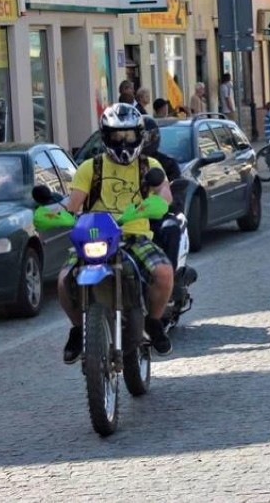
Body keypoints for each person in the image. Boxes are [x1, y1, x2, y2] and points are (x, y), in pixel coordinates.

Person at [58, 104, 175, 363]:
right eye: (117, 136)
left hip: (135, 237)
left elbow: (165, 194)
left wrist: (159, 202)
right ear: (105, 137)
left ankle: (153, 322)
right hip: (95, 237)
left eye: (129, 136)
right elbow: (73, 204)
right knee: (63, 280)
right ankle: (78, 328)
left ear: (140, 136)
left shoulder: (150, 166)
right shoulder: (90, 168)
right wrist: (56, 213)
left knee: (164, 273)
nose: (124, 142)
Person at [142, 117, 183, 275]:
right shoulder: (122, 163)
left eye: (146, 137)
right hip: (128, 216)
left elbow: (175, 193)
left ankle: (169, 277)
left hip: (156, 216)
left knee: (171, 228)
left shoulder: (167, 164)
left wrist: (170, 203)